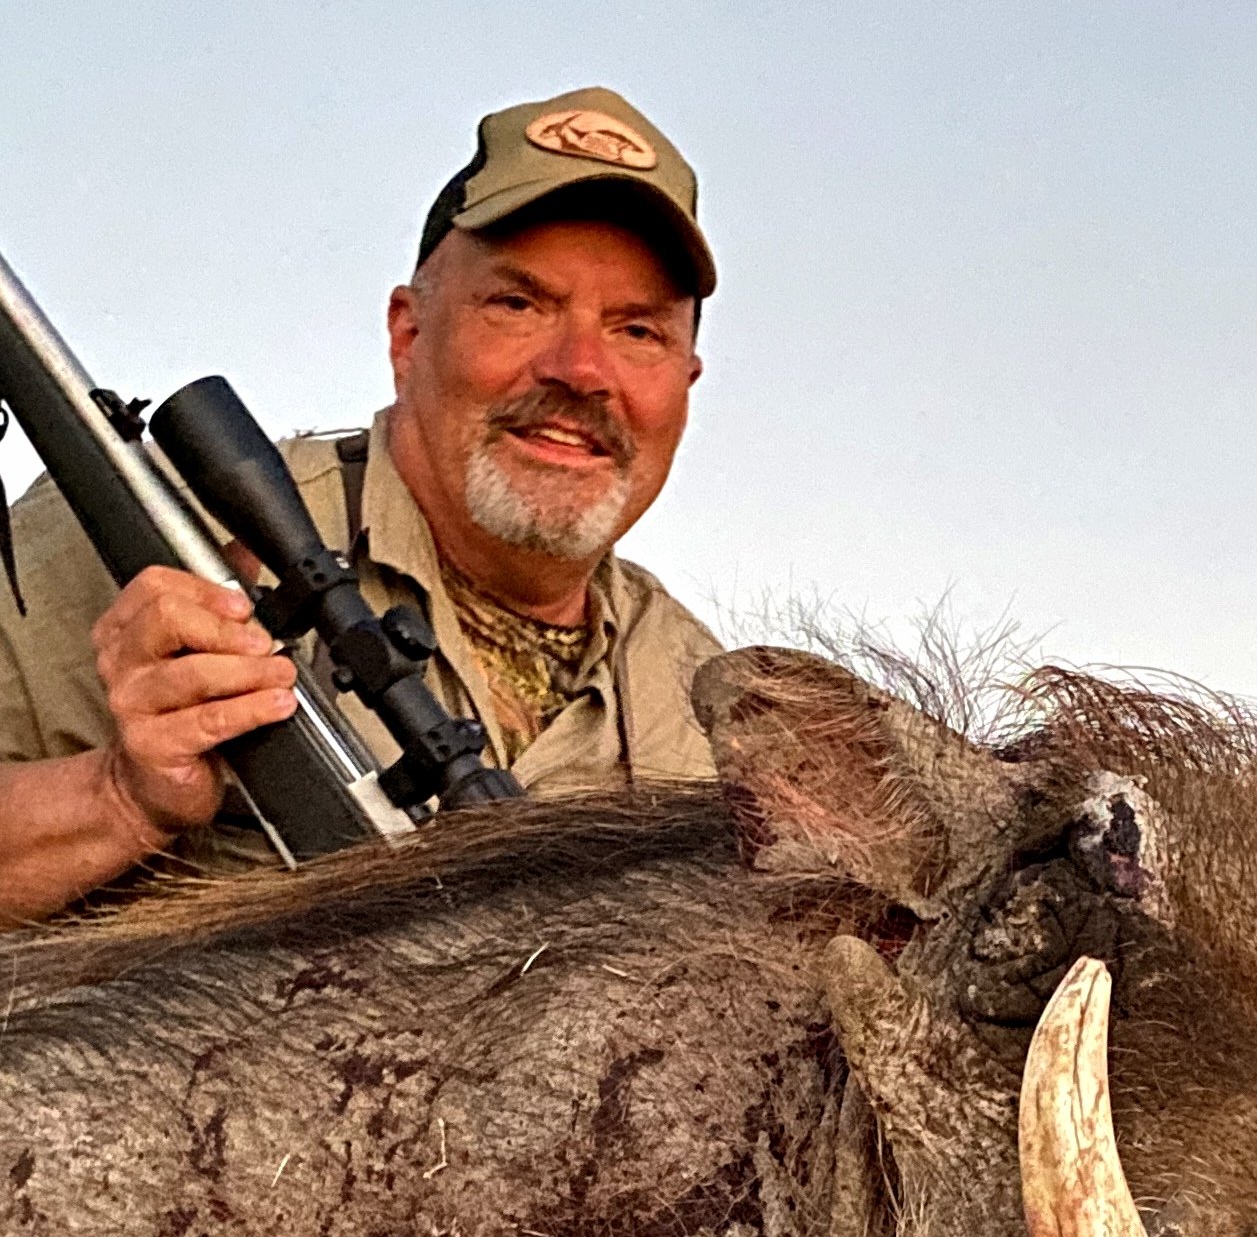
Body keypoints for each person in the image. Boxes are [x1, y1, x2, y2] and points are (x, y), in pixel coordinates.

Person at [0, 87, 724, 924]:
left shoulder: (714, 704)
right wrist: (121, 798)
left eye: (638, 331)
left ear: (685, 385)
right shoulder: (163, 540)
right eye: (519, 304)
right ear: (408, 334)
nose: (581, 370)